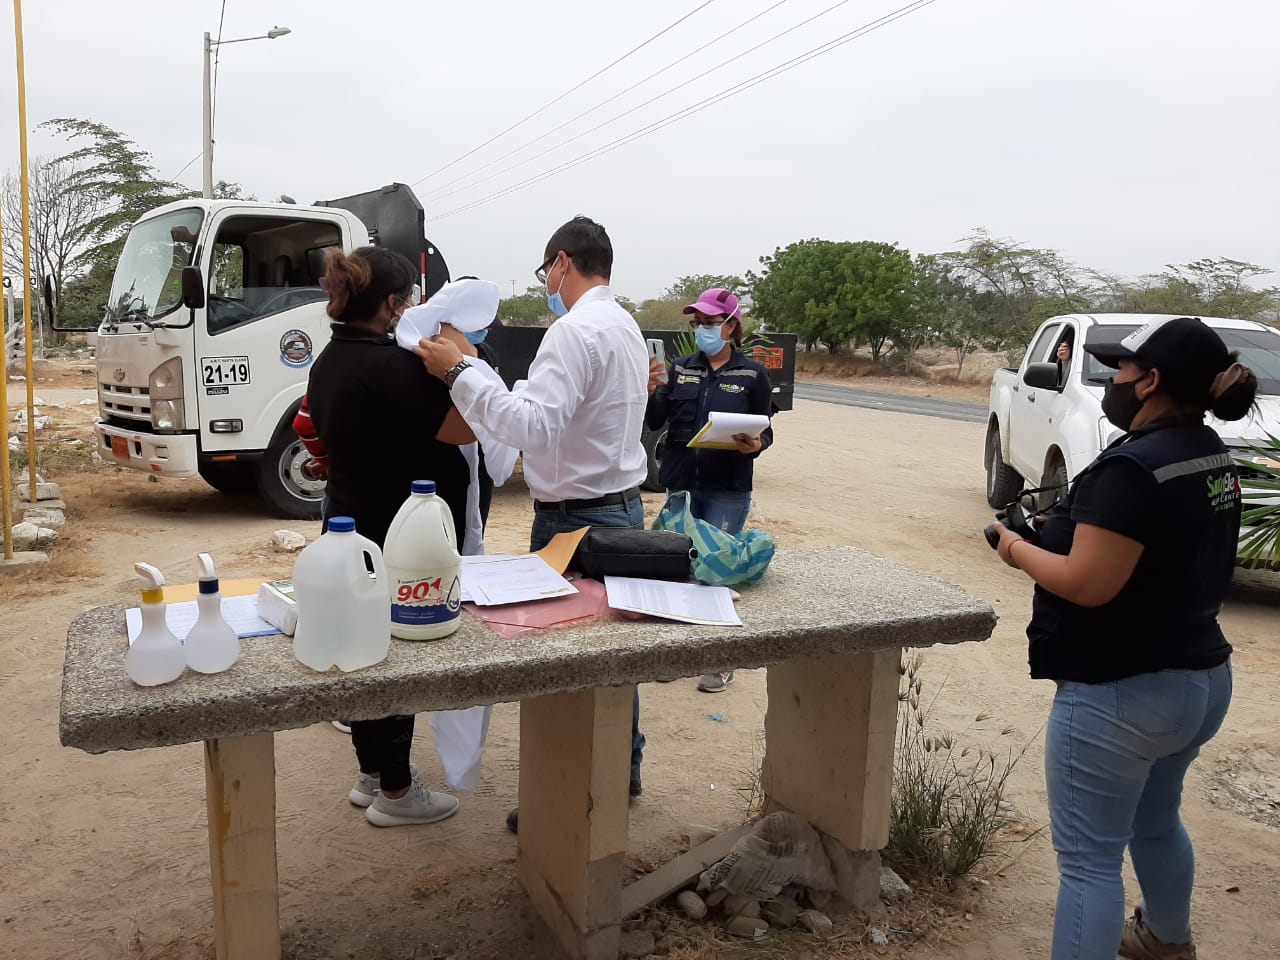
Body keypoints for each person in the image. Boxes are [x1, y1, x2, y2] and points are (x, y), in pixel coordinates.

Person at [989, 316, 1257, 960]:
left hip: (1122, 691)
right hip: (1200, 679)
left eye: (1123, 371)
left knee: (1089, 862)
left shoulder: (1135, 467)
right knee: (1156, 820)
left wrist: (1015, 548)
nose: (1113, 381)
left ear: (1152, 382)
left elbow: (1087, 584)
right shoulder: (1209, 451)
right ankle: (1166, 939)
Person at [415, 216, 650, 826]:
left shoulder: (572, 332)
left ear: (562, 263)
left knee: (565, 662)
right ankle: (619, 770)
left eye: (547, 270)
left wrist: (458, 372)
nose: (547, 281)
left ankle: (564, 797)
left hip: (576, 521)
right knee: (615, 656)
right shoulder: (624, 324)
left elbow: (533, 429)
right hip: (622, 506)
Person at [306, 245, 475, 828]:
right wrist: (463, 364)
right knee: (398, 657)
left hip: (351, 521)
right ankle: (398, 793)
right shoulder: (393, 367)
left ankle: (372, 774)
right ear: (393, 306)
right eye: (406, 302)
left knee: (363, 652)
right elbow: (464, 427)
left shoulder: (329, 360)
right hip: (400, 535)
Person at [645, 287, 773, 693]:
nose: (702, 329)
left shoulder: (752, 374)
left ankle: (720, 661)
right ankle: (675, 655)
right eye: (697, 323)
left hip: (727, 486)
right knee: (677, 571)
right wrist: (652, 391)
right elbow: (655, 421)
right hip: (681, 484)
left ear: (731, 326)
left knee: (718, 573)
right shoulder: (681, 368)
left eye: (710, 323)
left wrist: (757, 445)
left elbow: (766, 429)